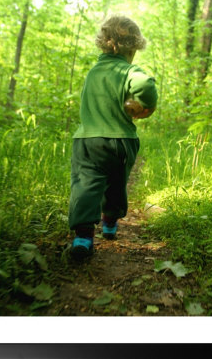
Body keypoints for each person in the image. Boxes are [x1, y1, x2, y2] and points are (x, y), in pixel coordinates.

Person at [68, 15, 158, 260]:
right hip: (120, 141)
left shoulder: (93, 72)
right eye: (133, 51)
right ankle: (109, 221)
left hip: (87, 141)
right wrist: (147, 105)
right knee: (116, 184)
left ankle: (83, 237)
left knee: (85, 185)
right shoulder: (128, 70)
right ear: (128, 48)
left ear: (104, 44)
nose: (133, 56)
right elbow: (146, 84)